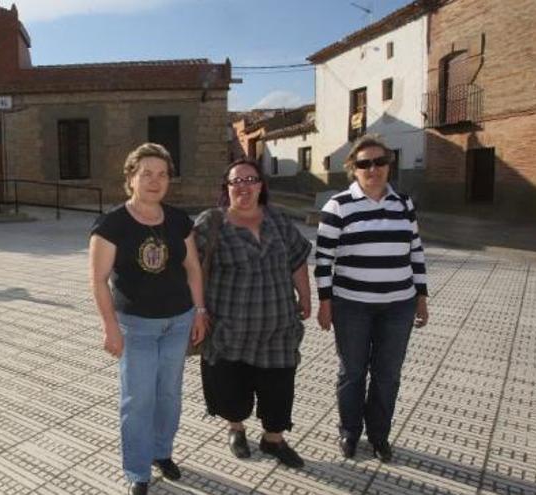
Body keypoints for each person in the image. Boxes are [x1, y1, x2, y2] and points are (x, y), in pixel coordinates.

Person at [89, 143, 207, 495]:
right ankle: (138, 471)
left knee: (169, 395)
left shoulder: (178, 219)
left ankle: (162, 452)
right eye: (146, 174)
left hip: (178, 321)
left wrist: (199, 311)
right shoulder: (111, 225)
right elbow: (97, 280)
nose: (155, 181)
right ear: (131, 178)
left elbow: (193, 269)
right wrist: (110, 327)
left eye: (162, 174)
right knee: (137, 399)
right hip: (135, 327)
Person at [314, 134, 429, 463]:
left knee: (388, 374)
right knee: (352, 371)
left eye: (380, 162)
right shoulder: (338, 206)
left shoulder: (403, 204)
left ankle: (379, 436)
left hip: (399, 305)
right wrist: (325, 304)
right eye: (364, 163)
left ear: (389, 165)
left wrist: (421, 296)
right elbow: (324, 260)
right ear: (353, 168)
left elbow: (416, 252)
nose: (373, 168)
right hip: (352, 306)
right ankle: (349, 431)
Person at [193, 158, 312, 469]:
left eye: (251, 180)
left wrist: (306, 295)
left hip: (279, 329)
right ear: (227, 188)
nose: (244, 187)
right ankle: (236, 430)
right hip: (230, 330)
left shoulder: (279, 220)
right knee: (231, 389)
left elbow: (297, 259)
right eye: (236, 181)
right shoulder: (211, 223)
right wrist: (198, 309)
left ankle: (273, 440)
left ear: (261, 185)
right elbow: (192, 269)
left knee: (279, 389)